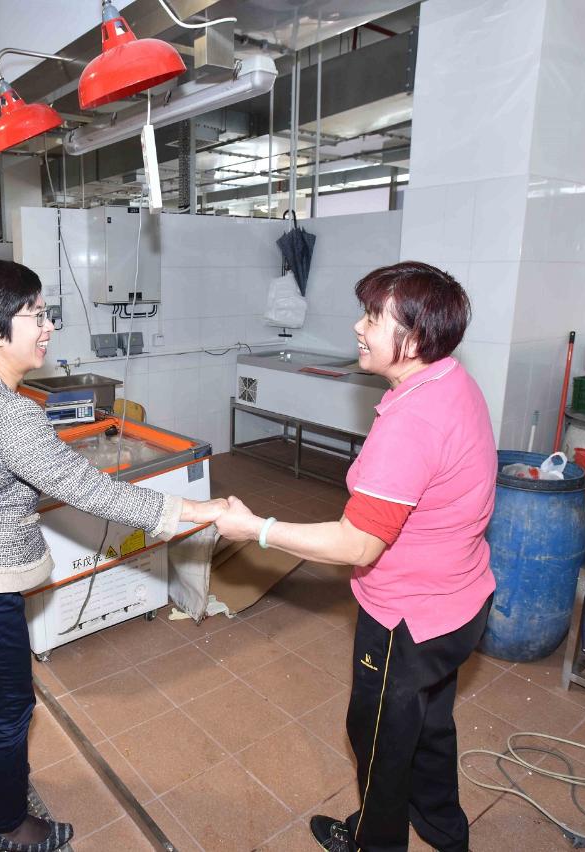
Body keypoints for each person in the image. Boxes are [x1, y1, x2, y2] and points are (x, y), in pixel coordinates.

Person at [0, 260, 225, 852]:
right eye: (34, 315)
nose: (48, 327)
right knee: (11, 708)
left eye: (45, 313)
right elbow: (88, 489)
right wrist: (191, 511)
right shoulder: (8, 412)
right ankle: (8, 825)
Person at [213, 261, 496, 852]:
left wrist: (257, 529)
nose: (358, 327)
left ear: (413, 338)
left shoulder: (413, 421)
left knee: (379, 740)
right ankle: (445, 832)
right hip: (461, 602)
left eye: (372, 317)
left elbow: (357, 544)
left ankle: (374, 843)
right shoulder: (452, 381)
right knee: (430, 726)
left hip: (407, 620)